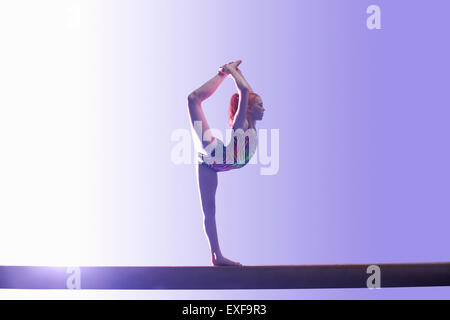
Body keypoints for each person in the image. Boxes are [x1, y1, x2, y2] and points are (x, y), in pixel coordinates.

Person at [187, 60, 265, 266]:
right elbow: (245, 92)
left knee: (210, 210)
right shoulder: (242, 123)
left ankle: (216, 256)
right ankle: (220, 74)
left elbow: (248, 92)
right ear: (248, 109)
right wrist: (228, 73)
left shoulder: (252, 126)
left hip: (211, 166)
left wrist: (235, 72)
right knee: (193, 99)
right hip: (213, 152)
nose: (264, 108)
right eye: (260, 105)